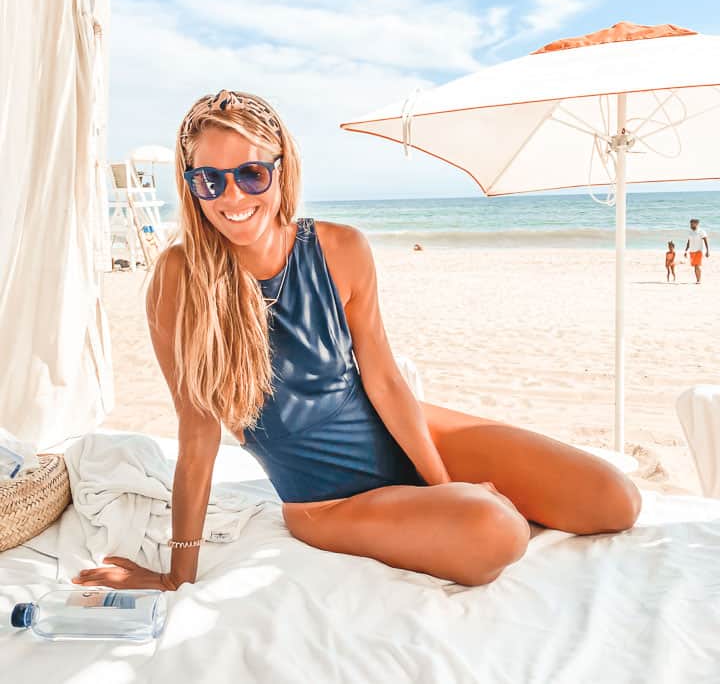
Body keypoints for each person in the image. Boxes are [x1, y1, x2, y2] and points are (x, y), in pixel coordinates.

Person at [72, 90, 641, 593]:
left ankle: (444, 503)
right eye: (209, 180)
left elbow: (386, 381)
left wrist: (440, 485)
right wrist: (179, 575)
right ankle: (461, 511)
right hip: (326, 501)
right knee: (499, 533)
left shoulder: (341, 248)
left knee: (615, 500)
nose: (232, 195)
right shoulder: (178, 279)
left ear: (281, 167)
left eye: (250, 174)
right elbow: (197, 436)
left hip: (398, 429)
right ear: (191, 185)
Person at [684, 218, 710, 284]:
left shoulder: (701, 231)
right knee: (695, 266)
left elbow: (705, 240)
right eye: (690, 223)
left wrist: (707, 250)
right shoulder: (690, 232)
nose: (690, 225)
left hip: (699, 251)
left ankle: (699, 280)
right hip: (692, 251)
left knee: (697, 265)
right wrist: (686, 251)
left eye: (692, 223)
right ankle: (698, 279)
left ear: (696, 224)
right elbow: (688, 242)